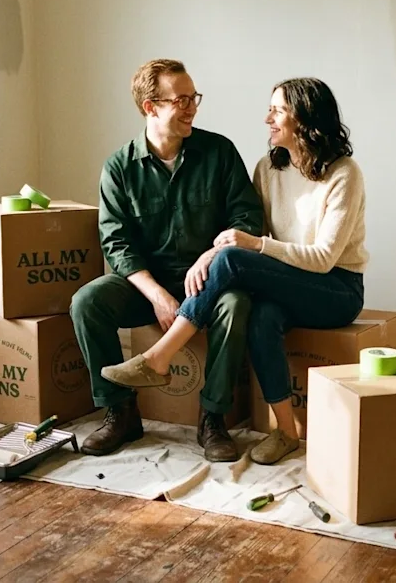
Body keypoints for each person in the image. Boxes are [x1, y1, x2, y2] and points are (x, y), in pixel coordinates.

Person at [102, 77, 367, 465]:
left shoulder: (344, 173)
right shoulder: (269, 168)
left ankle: (159, 358)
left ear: (304, 118)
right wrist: (212, 255)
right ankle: (287, 432)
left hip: (337, 289)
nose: (267, 119)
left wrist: (252, 247)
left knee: (231, 259)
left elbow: (323, 258)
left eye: (277, 111)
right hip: (288, 281)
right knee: (261, 317)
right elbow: (247, 231)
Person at [70, 58, 264, 462]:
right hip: (149, 285)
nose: (192, 108)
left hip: (210, 283)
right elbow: (116, 242)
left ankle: (213, 419)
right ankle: (120, 412)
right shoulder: (119, 167)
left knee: (237, 304)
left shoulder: (220, 152)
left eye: (194, 98)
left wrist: (212, 255)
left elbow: (247, 218)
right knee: (87, 301)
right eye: (181, 100)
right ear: (151, 107)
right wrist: (158, 296)